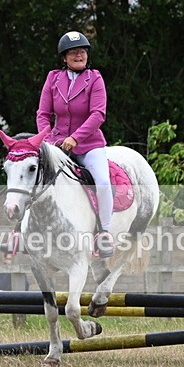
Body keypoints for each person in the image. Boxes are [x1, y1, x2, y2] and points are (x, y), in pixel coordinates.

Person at [36, 30, 114, 258]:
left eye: (82, 51)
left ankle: (104, 232)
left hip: (89, 144)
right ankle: (19, 231)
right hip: (56, 143)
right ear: (64, 57)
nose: (79, 55)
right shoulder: (53, 78)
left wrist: (75, 138)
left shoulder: (95, 78)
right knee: (34, 178)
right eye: (73, 52)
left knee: (102, 181)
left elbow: (98, 114)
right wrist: (48, 141)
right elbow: (43, 114)